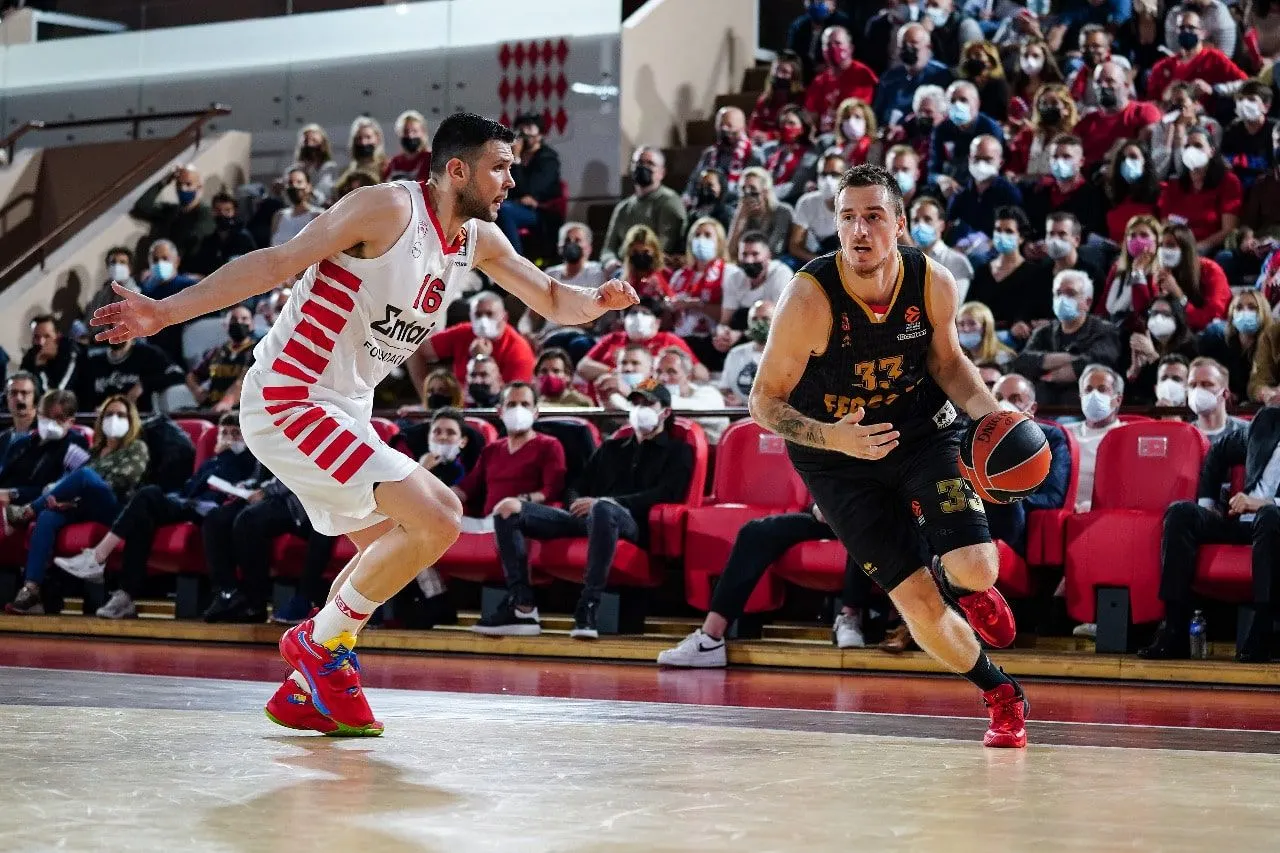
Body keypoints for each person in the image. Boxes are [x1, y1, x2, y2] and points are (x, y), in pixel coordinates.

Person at [90, 112, 639, 736]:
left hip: (345, 408)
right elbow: (275, 263)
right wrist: (164, 312)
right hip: (290, 396)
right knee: (441, 515)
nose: (511, 181)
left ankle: (306, 689)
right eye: (500, 167)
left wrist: (597, 302)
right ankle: (318, 643)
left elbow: (552, 297)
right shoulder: (387, 209)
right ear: (457, 170)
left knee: (393, 547)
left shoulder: (476, 241)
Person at [746, 163, 1029, 748]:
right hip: (835, 457)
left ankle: (967, 585)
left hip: (922, 433)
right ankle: (1001, 693)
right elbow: (763, 403)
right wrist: (834, 437)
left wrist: (992, 416)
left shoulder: (932, 281)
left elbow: (948, 362)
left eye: (873, 216)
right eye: (847, 217)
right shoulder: (808, 298)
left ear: (899, 225)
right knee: (916, 602)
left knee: (978, 568)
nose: (859, 230)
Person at [473, 380, 692, 639]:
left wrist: (609, 503)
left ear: (665, 412)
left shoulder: (679, 451)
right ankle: (521, 604)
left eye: (648, 404)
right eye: (635, 403)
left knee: (603, 509)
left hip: (631, 524)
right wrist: (576, 501)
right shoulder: (611, 448)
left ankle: (588, 606)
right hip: (587, 517)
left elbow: (667, 494)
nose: (639, 409)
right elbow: (577, 484)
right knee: (507, 508)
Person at [52, 413, 259, 613]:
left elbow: (239, 485)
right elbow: (189, 488)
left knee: (148, 494)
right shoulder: (211, 462)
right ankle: (125, 595)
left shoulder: (249, 459)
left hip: (210, 510)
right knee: (142, 515)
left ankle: (97, 557)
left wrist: (227, 454)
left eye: (236, 433)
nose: (229, 439)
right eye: (225, 433)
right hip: (187, 503)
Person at [1140, 405, 1280, 663]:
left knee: (1270, 517)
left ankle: (1264, 631)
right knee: (1181, 513)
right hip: (1242, 522)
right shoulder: (1269, 422)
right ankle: (1174, 629)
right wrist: (1208, 506)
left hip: (1273, 524)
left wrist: (1263, 504)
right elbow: (1219, 451)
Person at [657, 501, 872, 668]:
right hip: (837, 516)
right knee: (755, 531)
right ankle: (710, 638)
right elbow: (823, 485)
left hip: (874, 519)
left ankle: (850, 616)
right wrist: (818, 507)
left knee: (866, 526)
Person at [4, 396, 149, 616]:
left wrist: (81, 489)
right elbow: (71, 482)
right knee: (48, 517)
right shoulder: (94, 451)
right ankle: (32, 589)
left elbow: (123, 481)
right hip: (83, 506)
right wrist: (65, 501)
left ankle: (28, 510)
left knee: (84, 475)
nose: (114, 419)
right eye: (109, 414)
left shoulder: (136, 447)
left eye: (121, 415)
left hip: (115, 509)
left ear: (131, 420)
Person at [985, 373, 1071, 559]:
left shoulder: (1051, 439)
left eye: (1015, 399)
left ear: (1032, 408)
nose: (1003, 404)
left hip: (1017, 528)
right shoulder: (973, 437)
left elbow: (1052, 498)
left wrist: (1005, 496)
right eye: (998, 398)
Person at [450, 382, 565, 518]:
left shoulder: (550, 445)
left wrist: (521, 501)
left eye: (525, 404)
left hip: (526, 520)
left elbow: (551, 491)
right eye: (511, 405)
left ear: (535, 412)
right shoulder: (491, 450)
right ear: (500, 412)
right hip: (487, 523)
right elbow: (467, 489)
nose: (518, 410)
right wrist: (440, 495)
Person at [1012, 270, 1123, 406]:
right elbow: (1023, 361)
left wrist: (1048, 371)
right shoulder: (1043, 332)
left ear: (1087, 302)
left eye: (1071, 293)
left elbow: (1097, 363)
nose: (1063, 299)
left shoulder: (1105, 330)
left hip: (1083, 405)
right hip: (1043, 404)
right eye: (1058, 294)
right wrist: (1073, 358)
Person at [414, 290, 536, 389]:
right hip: (457, 405)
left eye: (489, 314)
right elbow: (414, 348)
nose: (483, 320)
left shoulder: (519, 349)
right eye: (478, 315)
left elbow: (515, 396)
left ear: (504, 317)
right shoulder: (464, 332)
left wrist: (481, 359)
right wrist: (424, 392)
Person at [518, 222, 606, 355]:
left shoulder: (597, 273)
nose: (571, 244)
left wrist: (558, 327)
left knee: (577, 344)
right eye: (567, 240)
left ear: (588, 248)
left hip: (582, 335)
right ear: (559, 247)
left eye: (577, 240)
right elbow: (530, 316)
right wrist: (527, 333)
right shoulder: (550, 274)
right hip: (550, 337)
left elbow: (591, 322)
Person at [1131, 223, 1231, 332]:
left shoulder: (1210, 270)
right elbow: (1145, 315)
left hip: (1204, 332)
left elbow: (1212, 319)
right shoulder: (1160, 273)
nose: (1163, 250)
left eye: (1170, 245)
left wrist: (1178, 295)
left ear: (1185, 248)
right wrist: (1138, 274)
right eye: (1160, 245)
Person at [1156, 127, 1242, 254]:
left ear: (1211, 151)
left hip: (1209, 250)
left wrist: (1197, 248)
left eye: (1198, 145)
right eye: (1187, 146)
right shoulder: (1174, 185)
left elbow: (1228, 229)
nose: (1191, 151)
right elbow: (1165, 225)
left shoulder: (1229, 182)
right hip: (1176, 250)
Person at [600, 147, 688, 267]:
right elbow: (608, 249)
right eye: (639, 163)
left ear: (662, 173)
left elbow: (663, 246)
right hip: (622, 268)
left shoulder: (669, 201)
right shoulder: (623, 207)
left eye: (650, 164)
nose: (643, 167)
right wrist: (611, 262)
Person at [1147, 9, 1247, 109]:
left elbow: (1245, 84)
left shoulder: (1215, 58)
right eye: (1181, 28)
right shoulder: (1162, 66)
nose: (1186, 31)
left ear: (1203, 32)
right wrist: (1167, 96)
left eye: (1191, 28)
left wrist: (1213, 89)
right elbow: (1150, 103)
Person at [576, 300, 698, 382]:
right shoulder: (613, 338)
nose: (638, 317)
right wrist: (618, 373)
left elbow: (700, 373)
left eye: (645, 313)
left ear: (657, 322)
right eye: (633, 312)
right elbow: (583, 367)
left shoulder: (670, 340)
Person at [497, 113, 563, 256]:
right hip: (515, 205)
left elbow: (531, 189)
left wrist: (517, 159)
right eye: (520, 129)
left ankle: (514, 260)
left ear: (540, 134)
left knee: (504, 210)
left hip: (540, 212)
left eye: (528, 129)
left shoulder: (548, 158)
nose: (523, 134)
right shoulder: (510, 157)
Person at [1064, 364, 1126, 513]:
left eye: (1102, 389)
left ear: (1117, 399)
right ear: (1081, 397)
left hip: (1106, 513)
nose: (1094, 395)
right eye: (1088, 389)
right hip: (1064, 509)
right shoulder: (1065, 433)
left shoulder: (1127, 435)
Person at [1074, 61, 1160, 167]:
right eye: (1098, 82)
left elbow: (1146, 152)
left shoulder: (1144, 112)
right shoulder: (1086, 122)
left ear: (1126, 86)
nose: (1103, 86)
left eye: (1110, 81)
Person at [667, 218, 727, 369]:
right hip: (682, 341)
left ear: (719, 242)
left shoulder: (728, 272)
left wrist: (696, 304)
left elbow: (728, 316)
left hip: (712, 343)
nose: (701, 240)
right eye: (697, 235)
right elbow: (669, 318)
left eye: (707, 235)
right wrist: (668, 306)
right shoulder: (679, 276)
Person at [76, 334, 184, 413]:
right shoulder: (94, 361)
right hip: (101, 420)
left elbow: (177, 374)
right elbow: (83, 396)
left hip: (140, 420)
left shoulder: (147, 354)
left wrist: (143, 384)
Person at [130, 163, 214, 265]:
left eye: (188, 184)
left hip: (189, 265)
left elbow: (194, 239)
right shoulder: (170, 211)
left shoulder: (205, 214)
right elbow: (142, 206)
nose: (183, 188)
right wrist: (163, 182)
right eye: (179, 184)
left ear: (199, 188)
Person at [872, 23, 953, 128]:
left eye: (913, 43)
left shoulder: (941, 75)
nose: (907, 47)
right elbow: (877, 113)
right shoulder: (889, 77)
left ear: (928, 46)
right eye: (903, 43)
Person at [803, 27, 879, 135]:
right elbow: (810, 113)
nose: (833, 48)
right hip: (822, 135)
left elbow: (860, 111)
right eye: (828, 44)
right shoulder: (819, 81)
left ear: (850, 48)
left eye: (838, 43)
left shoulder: (863, 74)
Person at [929, 80, 1004, 184]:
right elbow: (932, 171)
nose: (957, 105)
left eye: (963, 100)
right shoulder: (941, 130)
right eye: (952, 101)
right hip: (949, 186)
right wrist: (941, 180)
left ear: (977, 103)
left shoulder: (991, 129)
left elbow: (996, 170)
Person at [1199, 291, 1268, 403]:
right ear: (1232, 313)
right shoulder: (1216, 340)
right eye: (1239, 308)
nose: (1245, 312)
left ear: (1262, 312)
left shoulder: (1272, 344)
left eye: (1252, 308)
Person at [186, 305, 256, 413]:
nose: (239, 322)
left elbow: (244, 381)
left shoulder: (257, 351)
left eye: (244, 319)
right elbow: (192, 376)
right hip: (213, 408)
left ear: (252, 324)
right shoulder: (216, 352)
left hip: (242, 410)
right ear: (225, 325)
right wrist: (198, 391)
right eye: (233, 319)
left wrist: (227, 401)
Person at [684, 107, 762, 201]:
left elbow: (751, 188)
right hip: (708, 201)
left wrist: (721, 192)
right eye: (721, 125)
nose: (724, 129)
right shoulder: (709, 154)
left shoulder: (753, 154)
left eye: (729, 125)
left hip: (736, 203)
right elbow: (694, 181)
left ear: (742, 128)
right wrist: (687, 198)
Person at [655, 346, 728, 444]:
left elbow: (694, 410)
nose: (662, 378)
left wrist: (654, 396)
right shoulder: (653, 394)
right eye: (658, 372)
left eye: (671, 372)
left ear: (688, 377)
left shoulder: (709, 394)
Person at [1004, 83, 1078, 180]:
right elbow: (1013, 165)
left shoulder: (1074, 137)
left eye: (1054, 103)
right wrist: (1011, 176)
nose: (1048, 107)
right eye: (1044, 103)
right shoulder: (1028, 135)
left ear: (1066, 108)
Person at [909, 197, 972, 300]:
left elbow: (954, 304)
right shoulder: (903, 260)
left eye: (927, 219)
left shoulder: (958, 261)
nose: (920, 225)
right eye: (915, 220)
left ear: (941, 225)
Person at [789, 151, 846, 264]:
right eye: (823, 175)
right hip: (813, 258)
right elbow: (795, 246)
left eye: (834, 174)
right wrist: (820, 262)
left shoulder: (856, 204)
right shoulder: (807, 202)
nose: (828, 180)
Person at [727, 167, 794, 261]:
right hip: (748, 261)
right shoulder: (743, 213)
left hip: (776, 263)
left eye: (752, 188)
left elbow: (774, 250)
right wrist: (740, 219)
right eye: (744, 189)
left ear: (765, 192)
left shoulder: (783, 212)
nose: (748, 194)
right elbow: (730, 251)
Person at [186, 193, 257, 277]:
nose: (222, 214)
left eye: (227, 210)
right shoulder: (209, 240)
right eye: (218, 210)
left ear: (234, 212)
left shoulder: (243, 238)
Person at [1102, 142, 1161, 244]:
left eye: (1133, 157)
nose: (1127, 162)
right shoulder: (1113, 196)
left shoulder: (1160, 193)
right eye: (1123, 158)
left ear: (1145, 161)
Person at [785, 0, 854, 81]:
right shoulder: (798, 25)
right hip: (804, 75)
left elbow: (850, 55)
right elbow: (792, 53)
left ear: (833, 3)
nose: (816, 4)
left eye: (821, 1)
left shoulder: (843, 24)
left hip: (833, 75)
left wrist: (829, 66)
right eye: (812, 1)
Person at [1183, 356, 1248, 441]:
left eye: (1206, 384)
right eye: (1192, 385)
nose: (1197, 390)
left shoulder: (1247, 433)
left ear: (1225, 393)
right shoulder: (1182, 436)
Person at [719, 300, 771, 405]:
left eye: (765, 319)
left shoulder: (787, 355)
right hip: (741, 412)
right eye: (754, 319)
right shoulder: (735, 354)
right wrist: (733, 399)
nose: (759, 323)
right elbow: (725, 388)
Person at [748, 52, 806, 144]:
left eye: (785, 72)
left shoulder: (801, 99)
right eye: (776, 70)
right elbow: (754, 123)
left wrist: (770, 136)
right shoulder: (764, 99)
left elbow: (797, 129)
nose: (779, 75)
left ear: (794, 76)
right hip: (760, 143)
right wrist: (756, 134)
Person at [20, 315, 81, 393]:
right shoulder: (30, 355)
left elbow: (58, 395)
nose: (41, 342)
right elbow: (21, 386)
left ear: (58, 336)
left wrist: (41, 367)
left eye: (47, 336)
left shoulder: (71, 352)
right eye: (36, 337)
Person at [958, 40, 1009, 122]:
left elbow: (1003, 116)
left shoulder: (999, 85)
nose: (972, 59)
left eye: (978, 55)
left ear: (990, 61)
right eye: (969, 56)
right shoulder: (963, 85)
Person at [334, 116, 387, 195]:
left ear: (377, 138)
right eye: (359, 138)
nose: (363, 142)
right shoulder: (347, 172)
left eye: (368, 137)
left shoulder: (386, 167)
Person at [271, 168, 324, 247]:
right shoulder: (279, 216)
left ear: (308, 186)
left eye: (299, 182)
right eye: (290, 183)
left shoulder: (318, 215)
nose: (294, 186)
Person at [291, 124, 340, 207]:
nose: (310, 145)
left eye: (314, 141)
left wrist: (312, 192)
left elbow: (328, 193)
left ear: (323, 144)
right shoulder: (295, 170)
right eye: (306, 141)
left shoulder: (331, 168)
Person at [957, 301, 1014, 368]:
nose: (966, 329)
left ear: (986, 327)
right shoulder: (957, 357)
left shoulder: (1003, 357)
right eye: (961, 324)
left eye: (972, 324)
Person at [87, 247, 140, 318]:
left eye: (122, 262)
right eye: (113, 262)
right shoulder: (100, 294)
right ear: (108, 267)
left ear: (130, 268)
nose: (117, 266)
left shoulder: (136, 294)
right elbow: (90, 319)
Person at [383, 110, 432, 182]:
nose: (410, 136)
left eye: (414, 131)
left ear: (423, 132)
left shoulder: (431, 159)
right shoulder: (395, 162)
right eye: (406, 131)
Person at [0, 372, 38, 459]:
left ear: (35, 398)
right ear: (6, 398)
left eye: (24, 393)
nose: (18, 398)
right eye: (13, 393)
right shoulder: (4, 438)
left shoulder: (46, 434)